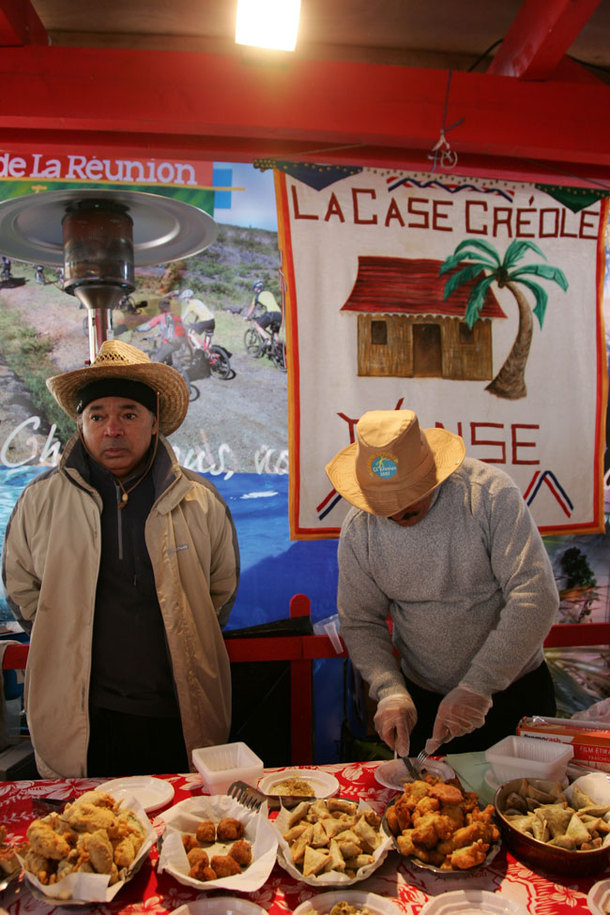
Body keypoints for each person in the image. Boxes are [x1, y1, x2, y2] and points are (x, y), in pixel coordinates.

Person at [1, 340, 240, 778]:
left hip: (178, 713)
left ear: (153, 424)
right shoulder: (40, 501)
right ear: (81, 424)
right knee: (87, 837)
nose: (112, 428)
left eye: (129, 414)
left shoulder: (199, 500)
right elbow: (20, 585)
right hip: (81, 720)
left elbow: (219, 593)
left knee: (181, 833)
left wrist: (189, 634)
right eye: (98, 415)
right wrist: (60, 634)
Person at [325, 408, 559, 760]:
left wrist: (479, 686)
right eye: (383, 507)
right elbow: (361, 620)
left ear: (432, 474)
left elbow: (535, 596)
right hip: (424, 699)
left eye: (406, 504)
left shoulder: (489, 496)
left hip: (514, 693)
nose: (396, 516)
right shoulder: (361, 530)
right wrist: (389, 690)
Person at [134, 297, 189, 382]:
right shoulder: (175, 316)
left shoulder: (161, 317)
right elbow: (172, 329)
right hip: (178, 342)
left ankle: (152, 382)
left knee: (154, 361)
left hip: (168, 344)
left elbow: (146, 327)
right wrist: (159, 334)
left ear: (160, 308)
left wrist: (136, 328)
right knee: (173, 363)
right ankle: (183, 384)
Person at [243, 280, 282, 344]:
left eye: (254, 288)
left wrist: (247, 317)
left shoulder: (256, 297)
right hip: (279, 314)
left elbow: (252, 308)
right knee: (275, 335)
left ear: (256, 288)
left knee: (257, 325)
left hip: (270, 313)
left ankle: (267, 341)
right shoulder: (269, 293)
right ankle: (278, 350)